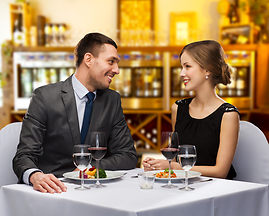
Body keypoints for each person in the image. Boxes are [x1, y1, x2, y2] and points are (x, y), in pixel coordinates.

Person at [13, 32, 138, 193]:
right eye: (111, 62)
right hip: (53, 191)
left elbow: (128, 155)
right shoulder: (44, 97)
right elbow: (23, 156)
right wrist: (35, 175)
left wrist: (90, 169)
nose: (117, 70)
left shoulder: (112, 100)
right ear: (88, 59)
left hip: (97, 191)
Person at [142, 40, 240, 179]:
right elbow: (176, 159)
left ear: (207, 69)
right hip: (184, 185)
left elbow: (220, 172)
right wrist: (159, 165)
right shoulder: (178, 108)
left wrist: (174, 167)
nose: (182, 73)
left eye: (187, 66)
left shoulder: (228, 114)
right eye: (182, 67)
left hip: (217, 189)